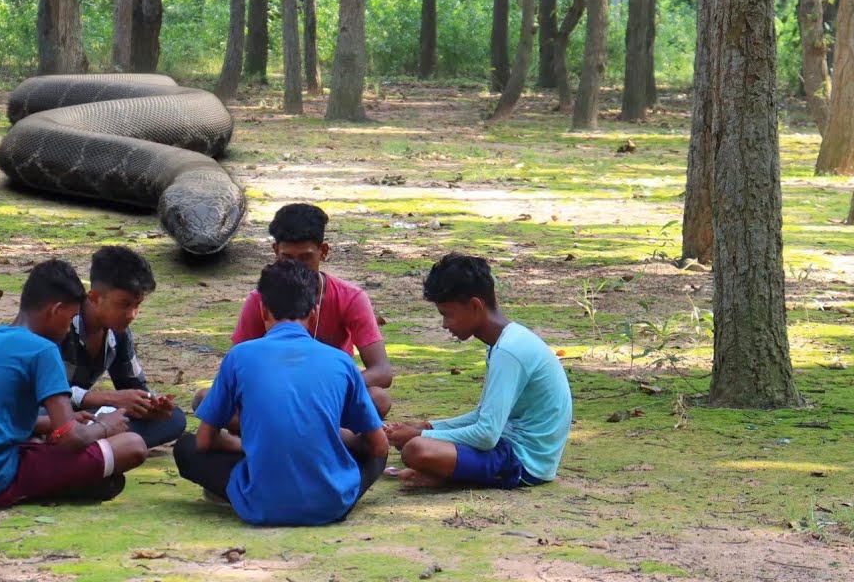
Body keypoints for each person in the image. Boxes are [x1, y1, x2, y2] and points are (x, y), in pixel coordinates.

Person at [174, 260, 389, 526]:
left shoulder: (239, 355)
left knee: (186, 447)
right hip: (331, 505)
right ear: (314, 313)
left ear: (263, 310)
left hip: (262, 505)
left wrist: (248, 446)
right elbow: (379, 446)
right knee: (378, 453)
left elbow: (205, 442)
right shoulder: (340, 361)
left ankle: (240, 487)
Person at [0, 259, 147, 507]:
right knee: (133, 445)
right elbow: (71, 438)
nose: (68, 329)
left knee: (45, 439)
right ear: (55, 310)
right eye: (71, 317)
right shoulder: (43, 350)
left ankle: (62, 480)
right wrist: (105, 427)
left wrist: (60, 423)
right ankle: (54, 485)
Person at [384, 253, 572, 490]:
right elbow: (483, 415)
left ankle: (449, 476)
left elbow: (486, 435)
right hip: (508, 445)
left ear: (475, 306)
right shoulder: (503, 343)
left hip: (525, 463)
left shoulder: (509, 351)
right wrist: (428, 426)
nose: (445, 325)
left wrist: (419, 437)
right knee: (417, 444)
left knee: (416, 449)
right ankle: (446, 474)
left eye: (447, 314)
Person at [194, 203, 393, 422]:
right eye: (287, 258)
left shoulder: (351, 297)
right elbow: (235, 370)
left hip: (329, 395)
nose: (296, 267)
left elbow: (382, 371)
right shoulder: (260, 299)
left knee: (378, 399)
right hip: (273, 397)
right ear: (275, 251)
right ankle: (332, 440)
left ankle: (263, 442)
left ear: (323, 251)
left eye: (305, 258)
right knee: (205, 398)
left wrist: (322, 386)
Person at [57, 246, 186, 449]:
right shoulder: (60, 324)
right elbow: (42, 392)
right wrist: (109, 397)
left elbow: (134, 387)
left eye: (137, 305)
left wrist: (150, 405)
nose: (132, 315)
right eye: (124, 304)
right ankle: (94, 444)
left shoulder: (119, 332)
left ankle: (89, 443)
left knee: (175, 418)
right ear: (94, 298)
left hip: (83, 417)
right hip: (48, 411)